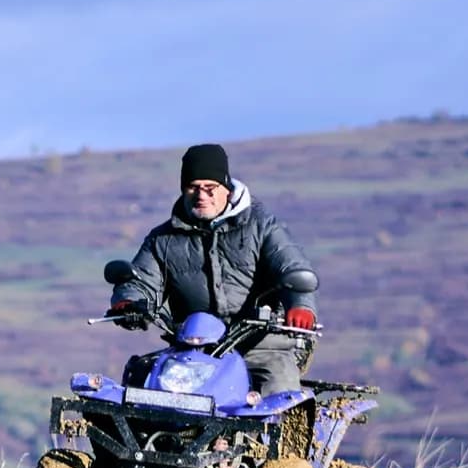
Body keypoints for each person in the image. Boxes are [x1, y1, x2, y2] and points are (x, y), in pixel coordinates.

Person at [106, 143, 318, 394]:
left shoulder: (261, 227)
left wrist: (300, 306)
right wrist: (130, 302)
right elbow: (140, 280)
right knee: (140, 379)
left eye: (210, 188)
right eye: (193, 187)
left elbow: (292, 267)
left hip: (260, 346)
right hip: (193, 349)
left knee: (279, 388)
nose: (201, 195)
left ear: (226, 188)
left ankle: (282, 433)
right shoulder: (163, 239)